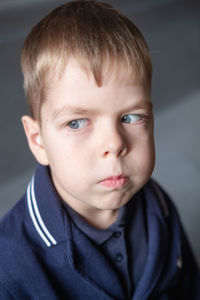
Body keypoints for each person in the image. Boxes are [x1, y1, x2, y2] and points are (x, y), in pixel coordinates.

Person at [0, 1, 199, 299]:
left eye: (130, 117)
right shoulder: (10, 265)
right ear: (38, 140)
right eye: (78, 123)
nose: (115, 144)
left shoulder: (160, 206)